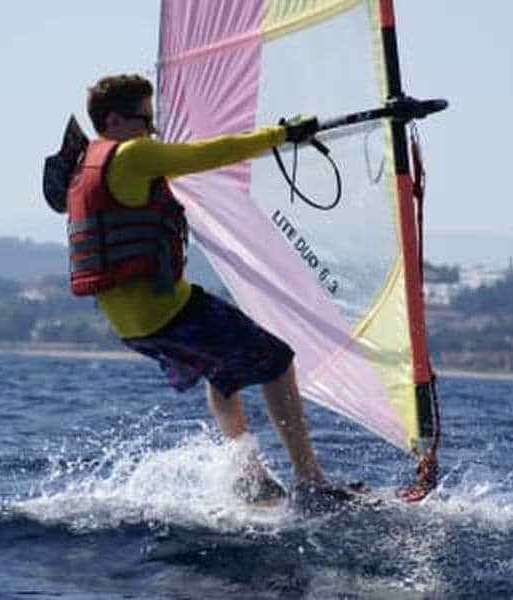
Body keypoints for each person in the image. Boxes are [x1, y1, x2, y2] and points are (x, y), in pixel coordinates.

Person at [50, 73, 353, 507]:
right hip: (166, 310)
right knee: (278, 359)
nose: (152, 130)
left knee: (223, 372)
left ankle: (251, 480)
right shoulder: (133, 154)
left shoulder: (84, 164)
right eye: (145, 119)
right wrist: (283, 135)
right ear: (114, 120)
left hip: (131, 326)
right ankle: (311, 480)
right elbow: (210, 153)